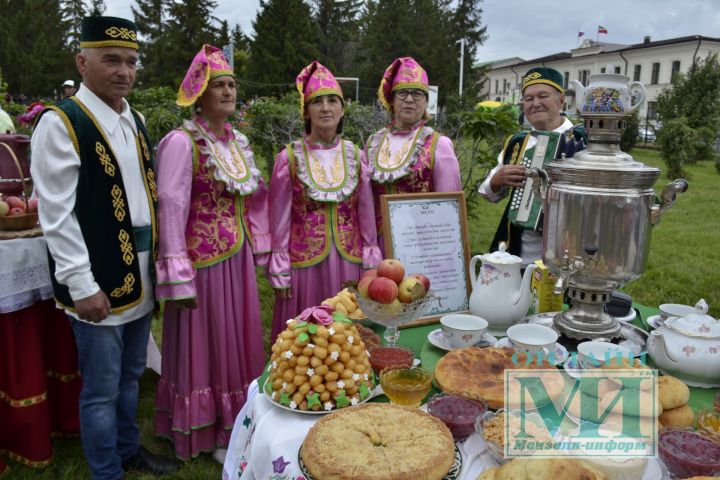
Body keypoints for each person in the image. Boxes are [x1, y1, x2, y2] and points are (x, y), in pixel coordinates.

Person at [30, 16, 179, 479]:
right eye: (110, 60)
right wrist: (81, 285)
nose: (123, 71)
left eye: (131, 62)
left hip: (139, 271)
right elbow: (56, 216)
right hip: (96, 277)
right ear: (82, 61)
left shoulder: (131, 116)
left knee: (132, 375)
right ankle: (106, 470)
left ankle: (127, 449)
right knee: (100, 388)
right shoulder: (62, 123)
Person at [153, 44, 268, 462]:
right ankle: (210, 431)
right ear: (200, 93)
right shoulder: (183, 142)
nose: (228, 92)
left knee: (237, 340)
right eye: (218, 85)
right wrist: (177, 270)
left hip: (235, 260)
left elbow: (253, 201)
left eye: (232, 85)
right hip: (201, 264)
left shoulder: (237, 143)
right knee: (211, 343)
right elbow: (171, 204)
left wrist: (261, 249)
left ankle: (236, 421)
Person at [268, 61, 380, 342]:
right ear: (306, 111)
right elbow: (278, 218)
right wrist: (280, 266)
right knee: (306, 339)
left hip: (348, 262)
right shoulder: (289, 157)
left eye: (333, 101)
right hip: (305, 266)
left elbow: (365, 212)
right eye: (317, 102)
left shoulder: (356, 155)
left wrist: (370, 259)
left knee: (348, 334)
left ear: (342, 110)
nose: (326, 108)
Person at [478, 67, 587, 267]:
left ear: (561, 100)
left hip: (571, 257)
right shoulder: (517, 142)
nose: (535, 104)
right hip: (517, 256)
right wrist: (496, 181)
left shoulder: (583, 139)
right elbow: (488, 194)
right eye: (528, 98)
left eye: (542, 96)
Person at [365, 57, 461, 251]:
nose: (409, 99)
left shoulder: (439, 145)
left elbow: (449, 212)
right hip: (378, 246)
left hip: (421, 248)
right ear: (392, 100)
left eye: (417, 94)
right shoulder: (373, 143)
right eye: (402, 93)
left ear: (426, 101)